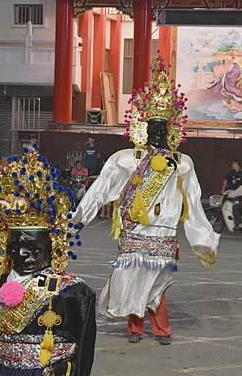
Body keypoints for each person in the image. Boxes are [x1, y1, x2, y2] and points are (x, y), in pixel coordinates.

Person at [75, 56, 219, 345]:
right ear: (143, 128)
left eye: (161, 128)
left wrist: (201, 238)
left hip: (164, 232)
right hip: (135, 230)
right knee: (131, 279)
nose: (156, 133)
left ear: (170, 130)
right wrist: (79, 217)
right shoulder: (126, 159)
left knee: (157, 281)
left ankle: (162, 329)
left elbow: (193, 202)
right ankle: (135, 328)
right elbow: (101, 189)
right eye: (152, 127)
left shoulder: (182, 163)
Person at [0, 150, 95, 376]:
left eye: (32, 248)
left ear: (52, 246)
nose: (22, 255)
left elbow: (84, 352)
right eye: (15, 246)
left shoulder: (73, 293)